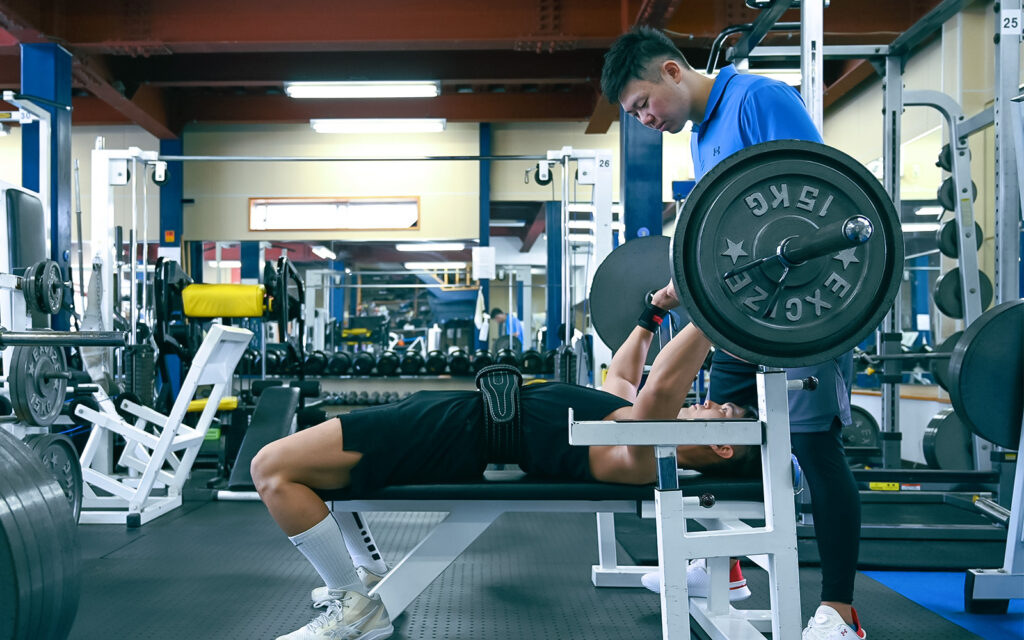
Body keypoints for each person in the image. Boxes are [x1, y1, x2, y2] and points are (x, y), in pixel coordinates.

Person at [251, 284, 759, 640]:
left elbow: (664, 384)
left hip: (457, 432)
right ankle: (364, 573)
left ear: (723, 445)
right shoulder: (630, 425)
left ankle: (353, 605)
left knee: (273, 468)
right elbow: (626, 376)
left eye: (720, 408)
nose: (707, 401)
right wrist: (653, 313)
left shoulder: (644, 456)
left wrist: (711, 306)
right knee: (309, 468)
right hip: (457, 416)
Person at [601, 27, 864, 640]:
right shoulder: (701, 136)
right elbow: (731, 238)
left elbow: (818, 202)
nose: (644, 120)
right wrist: (685, 289)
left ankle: (840, 612)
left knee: (814, 448)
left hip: (802, 322)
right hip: (737, 323)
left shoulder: (758, 100)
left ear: (671, 70)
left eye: (642, 105)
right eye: (634, 115)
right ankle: (729, 567)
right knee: (726, 436)